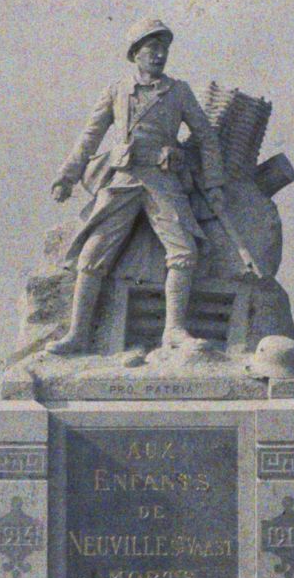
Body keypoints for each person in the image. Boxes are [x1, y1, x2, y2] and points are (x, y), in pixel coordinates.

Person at [48, 18, 226, 355]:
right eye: (152, 49)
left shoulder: (179, 91)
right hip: (124, 180)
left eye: (164, 49)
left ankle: (173, 331)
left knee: (184, 252)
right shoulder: (117, 91)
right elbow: (91, 135)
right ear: (135, 54)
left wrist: (215, 183)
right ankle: (78, 334)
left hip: (163, 181)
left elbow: (206, 137)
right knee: (91, 254)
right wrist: (67, 176)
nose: (159, 55)